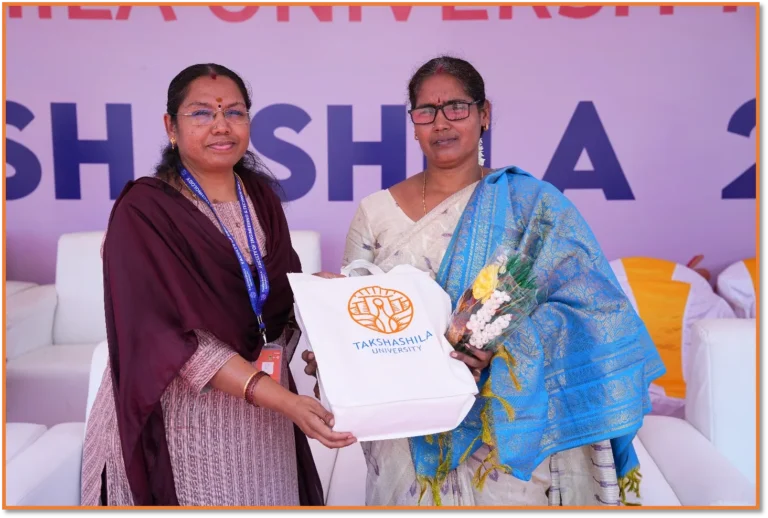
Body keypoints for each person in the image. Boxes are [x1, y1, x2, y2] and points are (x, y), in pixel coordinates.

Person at [304, 56, 665, 506]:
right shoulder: (376, 212)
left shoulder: (532, 204)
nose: (441, 123)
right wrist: (333, 346)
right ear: (413, 123)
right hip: (406, 433)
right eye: (426, 111)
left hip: (504, 426)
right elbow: (355, 312)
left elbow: (595, 309)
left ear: (484, 113)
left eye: (456, 107)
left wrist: (507, 348)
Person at [80, 63, 356, 507]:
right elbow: (166, 338)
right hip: (180, 427)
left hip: (262, 428)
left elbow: (270, 298)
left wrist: (318, 296)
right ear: (171, 127)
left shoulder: (259, 197)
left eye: (235, 112)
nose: (221, 126)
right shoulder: (144, 211)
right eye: (202, 113)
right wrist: (285, 402)